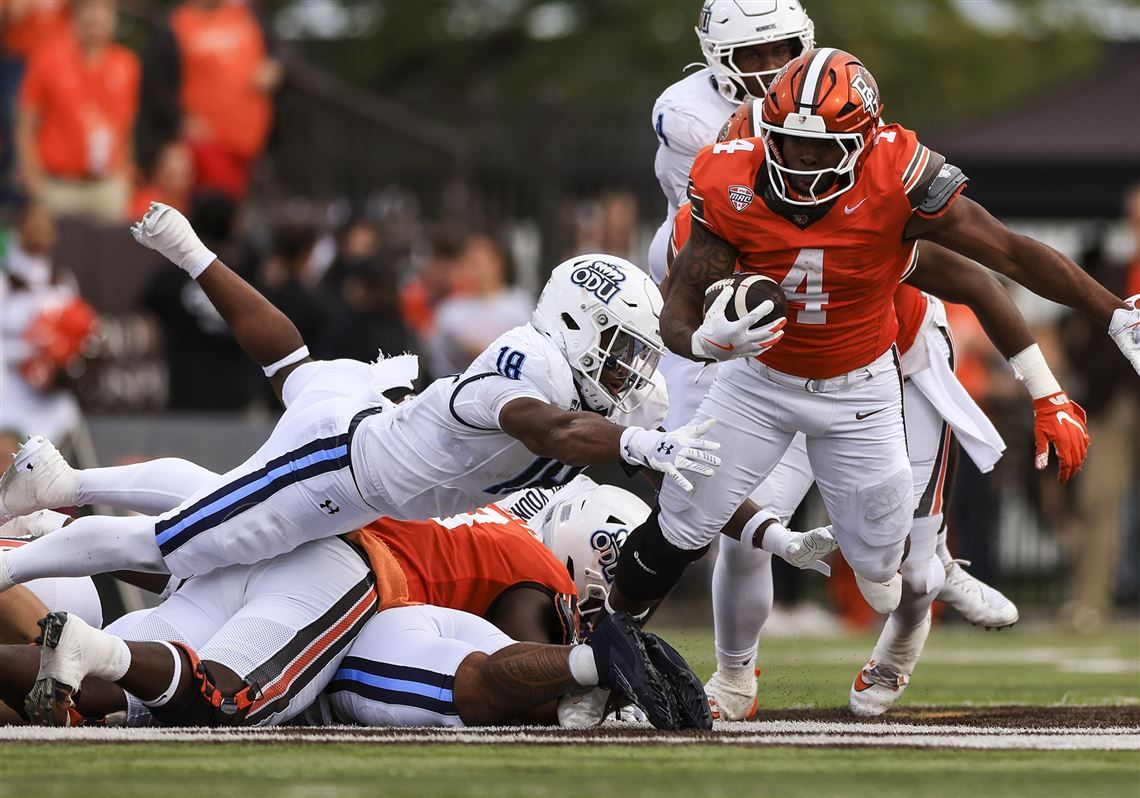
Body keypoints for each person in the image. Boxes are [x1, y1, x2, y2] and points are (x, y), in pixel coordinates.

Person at [0, 203, 725, 720]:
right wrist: (593, 669)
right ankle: (38, 549)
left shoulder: (552, 415)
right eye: (627, 354)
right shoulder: (531, 434)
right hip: (343, 516)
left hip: (355, 443)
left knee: (199, 517)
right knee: (212, 652)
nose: (633, 377)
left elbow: (646, 465)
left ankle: (69, 489)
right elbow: (557, 435)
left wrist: (757, 522)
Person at [605, 48, 1140, 687]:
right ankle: (602, 660)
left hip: (859, 391)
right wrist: (705, 343)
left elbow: (1007, 258)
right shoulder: (727, 182)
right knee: (683, 522)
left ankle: (926, 581)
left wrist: (1108, 316)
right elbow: (680, 309)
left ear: (865, 142)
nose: (800, 161)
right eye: (786, 143)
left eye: (820, 147)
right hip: (757, 385)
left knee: (880, 565)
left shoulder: (897, 185)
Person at [16, 0, 138, 221]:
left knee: (109, 253)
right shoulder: (47, 60)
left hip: (107, 186)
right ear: (74, 17)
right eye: (88, 10)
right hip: (58, 186)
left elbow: (127, 128)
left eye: (103, 10)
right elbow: (26, 125)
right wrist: (34, 184)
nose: (95, 18)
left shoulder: (126, 65)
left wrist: (125, 179)